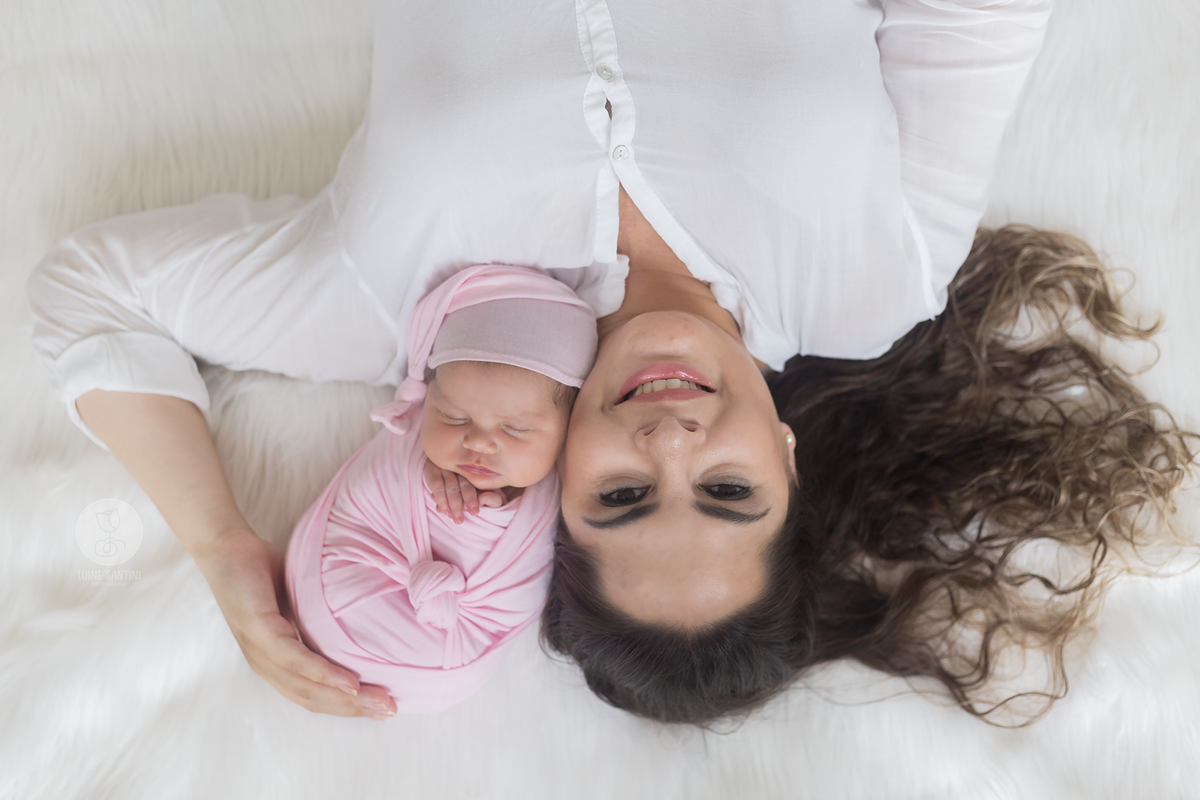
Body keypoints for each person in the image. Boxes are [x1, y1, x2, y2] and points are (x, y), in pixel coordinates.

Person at [26, 0, 1114, 720]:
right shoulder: (880, 282)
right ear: (789, 457)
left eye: (625, 495)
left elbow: (91, 294)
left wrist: (222, 547)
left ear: (557, 490)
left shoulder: (408, 318)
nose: (672, 440)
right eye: (728, 489)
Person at [285, 264, 597, 713]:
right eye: (454, 417)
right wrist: (424, 472)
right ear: (425, 398)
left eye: (515, 429)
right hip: (341, 590)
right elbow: (386, 474)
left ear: (568, 428)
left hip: (452, 649)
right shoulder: (413, 442)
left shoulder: (571, 485)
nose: (478, 443)